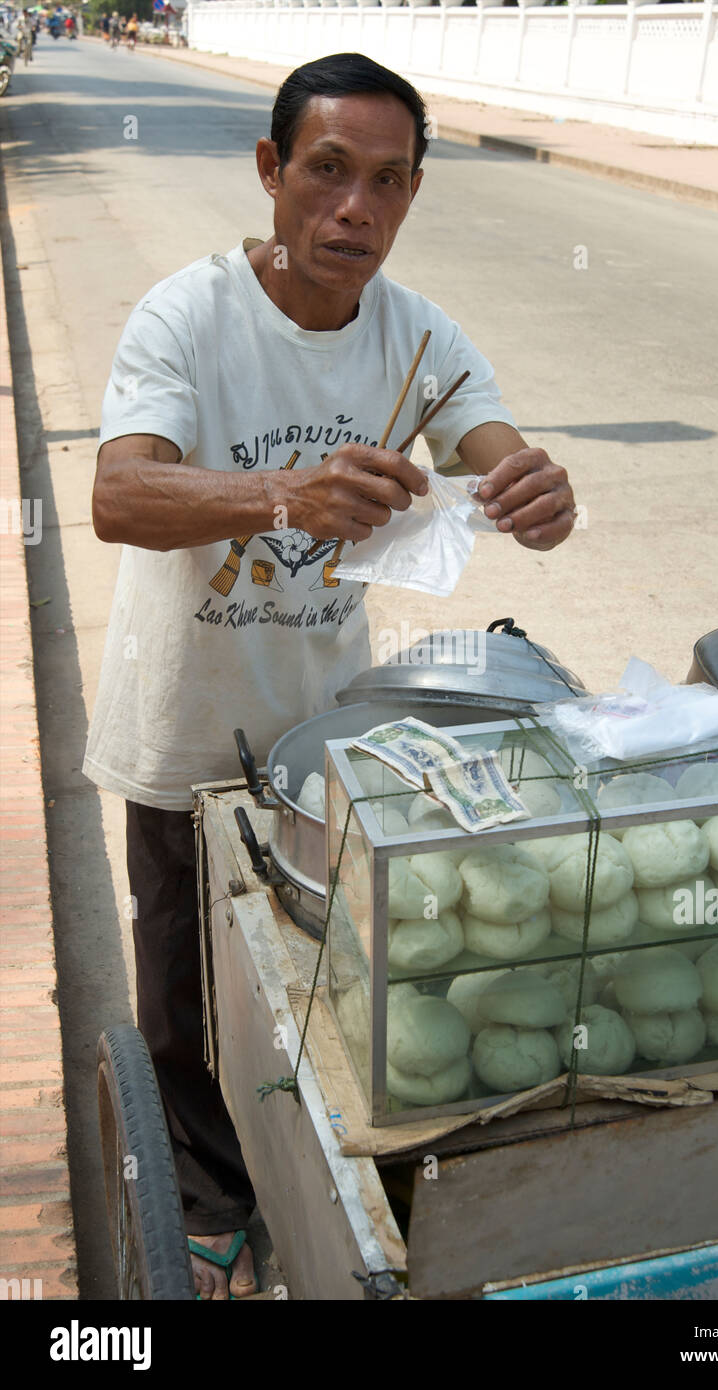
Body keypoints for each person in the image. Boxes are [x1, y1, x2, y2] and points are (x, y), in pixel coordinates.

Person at [85, 52, 575, 1300]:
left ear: (410, 199)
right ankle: (208, 1206)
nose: (353, 208)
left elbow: (494, 446)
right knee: (187, 1006)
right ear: (270, 172)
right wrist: (279, 492)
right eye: (326, 172)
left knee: (323, 978)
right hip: (182, 727)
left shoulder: (418, 334)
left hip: (319, 742)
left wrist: (534, 487)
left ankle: (314, 1178)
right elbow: (118, 492)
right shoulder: (185, 317)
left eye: (387, 182)